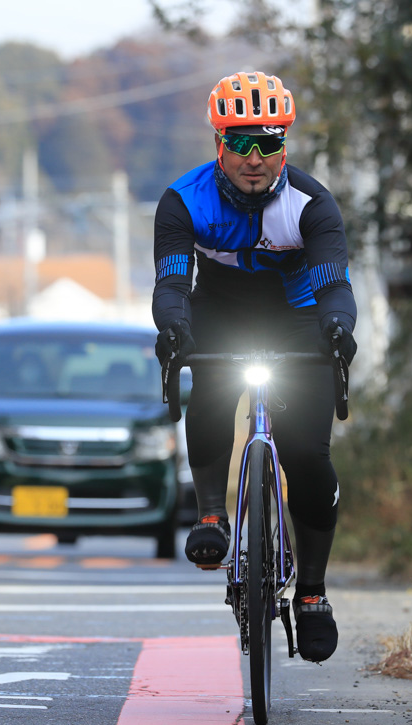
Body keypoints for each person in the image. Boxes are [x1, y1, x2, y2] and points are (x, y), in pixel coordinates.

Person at [152, 71, 358, 663]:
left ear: (285, 146)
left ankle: (313, 593)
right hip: (219, 313)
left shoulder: (311, 205)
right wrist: (174, 329)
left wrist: (338, 332)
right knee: (211, 380)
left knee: (309, 455)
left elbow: (333, 288)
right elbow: (172, 286)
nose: (254, 157)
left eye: (268, 143)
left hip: (295, 318)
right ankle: (212, 512)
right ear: (218, 143)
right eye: (240, 142)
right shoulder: (183, 201)